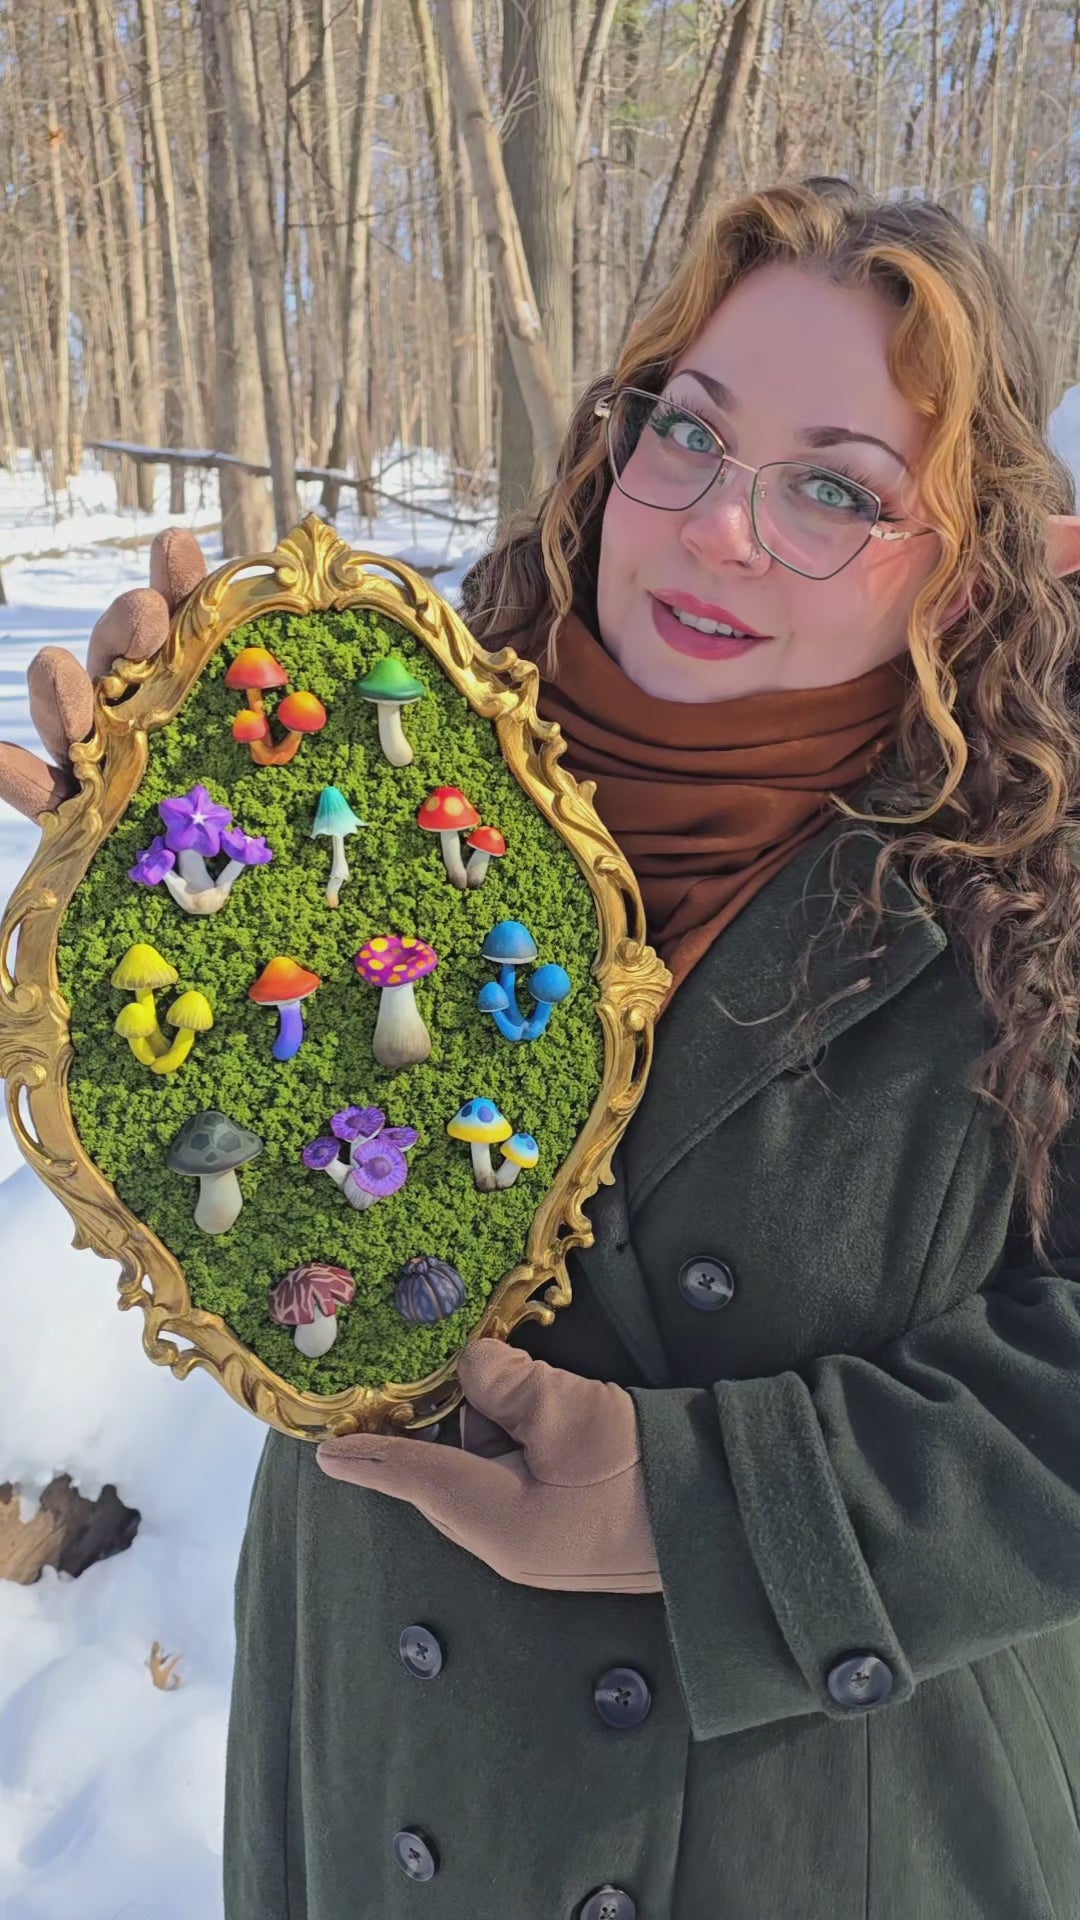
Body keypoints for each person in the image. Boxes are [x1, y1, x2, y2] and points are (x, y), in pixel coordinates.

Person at [4, 176, 1080, 1920]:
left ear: (964, 572)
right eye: (690, 432)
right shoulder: (398, 738)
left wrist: (706, 1514)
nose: (720, 528)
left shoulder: (1030, 878)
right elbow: (286, 1207)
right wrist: (174, 881)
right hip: (387, 1775)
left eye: (837, 488)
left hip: (827, 1833)